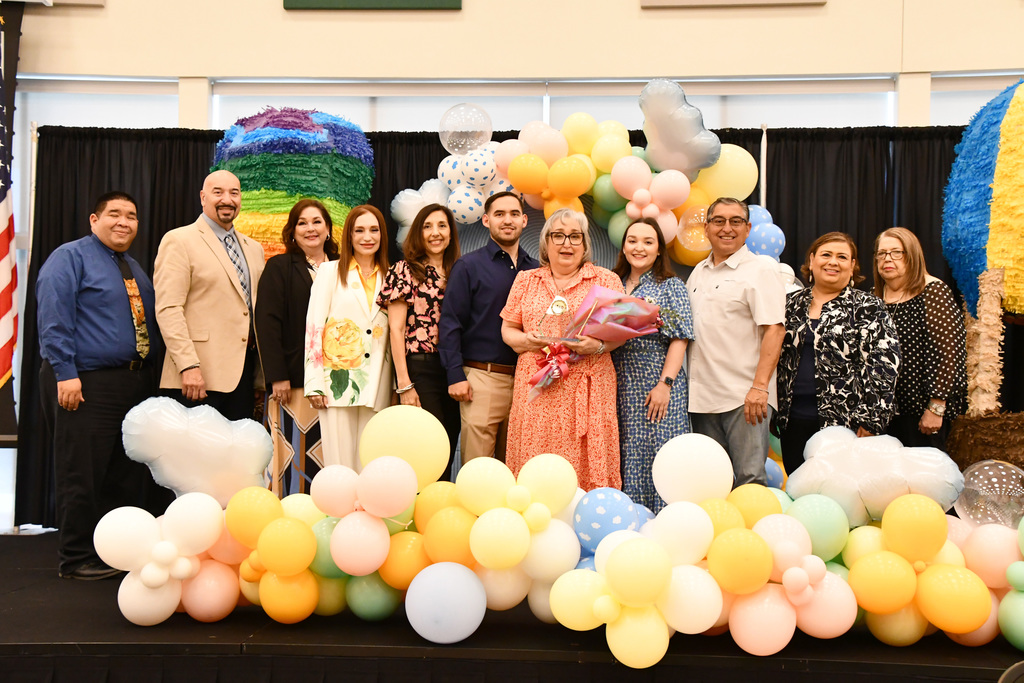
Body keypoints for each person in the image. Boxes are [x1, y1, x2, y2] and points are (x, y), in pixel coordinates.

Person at [37, 191, 168, 579]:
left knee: (120, 475)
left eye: (131, 215)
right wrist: (65, 372)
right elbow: (53, 317)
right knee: (83, 471)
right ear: (94, 220)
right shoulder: (70, 257)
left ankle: (111, 553)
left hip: (131, 383)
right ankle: (75, 558)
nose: (123, 222)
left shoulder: (132, 267)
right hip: (84, 381)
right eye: (114, 214)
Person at [500, 208, 623, 491]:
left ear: (585, 244)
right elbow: (507, 330)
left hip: (588, 386)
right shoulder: (526, 280)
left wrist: (600, 346)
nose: (566, 243)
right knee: (536, 459)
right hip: (538, 385)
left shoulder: (606, 280)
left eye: (574, 237)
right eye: (558, 235)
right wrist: (525, 341)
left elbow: (620, 335)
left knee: (585, 459)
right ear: (546, 243)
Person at [775, 232, 901, 475]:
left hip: (847, 424)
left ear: (852, 266)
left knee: (837, 496)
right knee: (798, 488)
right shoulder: (789, 303)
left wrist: (871, 419)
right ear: (811, 261)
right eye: (826, 255)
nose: (833, 262)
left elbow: (885, 364)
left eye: (842, 257)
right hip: (793, 420)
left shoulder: (868, 307)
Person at [687, 197, 786, 486]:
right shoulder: (697, 272)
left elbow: (775, 331)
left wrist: (759, 387)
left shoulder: (760, 271)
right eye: (718, 221)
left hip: (744, 399)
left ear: (748, 228)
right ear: (707, 228)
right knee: (712, 483)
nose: (726, 228)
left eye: (735, 221)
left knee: (749, 479)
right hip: (702, 400)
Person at [154, 170, 265, 421]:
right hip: (197, 378)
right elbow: (168, 309)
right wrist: (188, 366)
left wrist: (258, 377)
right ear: (203, 197)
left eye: (234, 193)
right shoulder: (179, 240)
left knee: (234, 457)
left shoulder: (254, 249)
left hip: (243, 378)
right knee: (193, 457)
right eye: (218, 192)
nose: (227, 199)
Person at [439, 192, 538, 464]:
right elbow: (450, 323)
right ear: (486, 220)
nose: (508, 220)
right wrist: (455, 374)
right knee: (479, 469)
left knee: (517, 466)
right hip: (482, 379)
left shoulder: (537, 271)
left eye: (514, 214)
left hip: (527, 381)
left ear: (524, 220)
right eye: (499, 214)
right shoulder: (468, 266)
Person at [255, 199, 338, 494]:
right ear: (292, 231)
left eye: (317, 222)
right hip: (294, 383)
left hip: (339, 383)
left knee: (334, 457)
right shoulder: (279, 267)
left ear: (328, 229)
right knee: (294, 457)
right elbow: (267, 324)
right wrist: (277, 376)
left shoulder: (344, 267)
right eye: (302, 223)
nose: (310, 229)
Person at [610, 218, 694, 512]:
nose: (639, 247)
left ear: (659, 250)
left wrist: (665, 385)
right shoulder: (611, 283)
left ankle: (665, 523)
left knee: (661, 454)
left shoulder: (671, 286)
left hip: (656, 382)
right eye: (632, 240)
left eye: (648, 241)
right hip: (619, 384)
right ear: (623, 246)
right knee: (627, 453)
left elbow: (680, 340)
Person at [305, 204, 391, 471]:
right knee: (339, 465)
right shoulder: (330, 272)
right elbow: (314, 327)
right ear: (349, 236)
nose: (368, 237)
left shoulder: (392, 275)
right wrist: (314, 382)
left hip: (377, 380)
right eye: (360, 230)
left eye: (374, 230)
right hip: (337, 380)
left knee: (371, 462)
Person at [379, 203, 462, 480]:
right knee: (429, 445)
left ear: (451, 232)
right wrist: (404, 384)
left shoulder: (459, 272)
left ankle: (441, 509)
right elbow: (396, 329)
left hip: (454, 369)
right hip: (421, 367)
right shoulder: (405, 270)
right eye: (428, 226)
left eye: (441, 225)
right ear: (418, 232)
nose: (435, 233)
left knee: (449, 442)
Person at [873, 227, 966, 449]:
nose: (888, 259)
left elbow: (949, 354)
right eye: (882, 253)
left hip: (921, 411)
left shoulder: (933, 291)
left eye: (897, 252)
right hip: (883, 414)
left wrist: (936, 407)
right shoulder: (873, 296)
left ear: (912, 255)